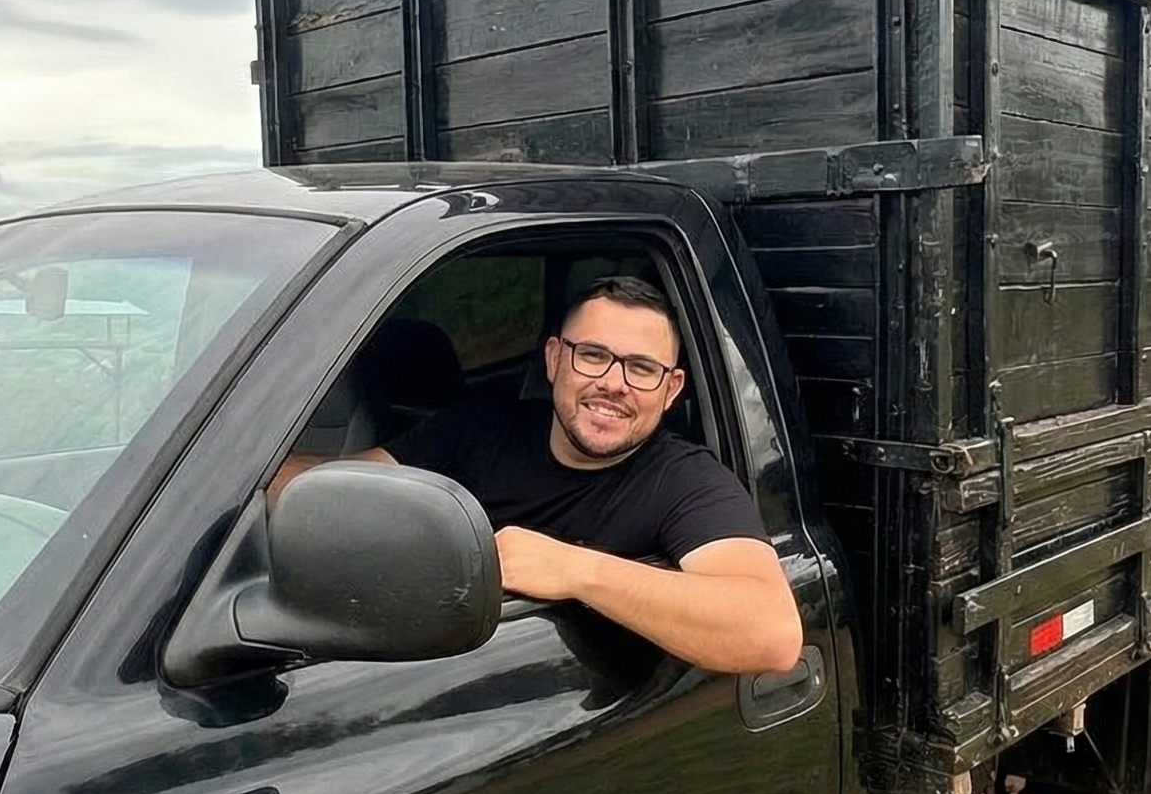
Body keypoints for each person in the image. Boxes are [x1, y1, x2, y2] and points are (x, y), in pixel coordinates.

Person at [275, 275, 804, 677]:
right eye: (593, 355)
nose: (613, 383)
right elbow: (331, 484)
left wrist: (573, 569)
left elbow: (771, 633)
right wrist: (240, 479)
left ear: (670, 390)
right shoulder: (481, 429)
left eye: (641, 368)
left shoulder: (685, 482)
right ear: (554, 359)